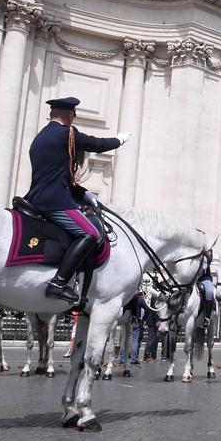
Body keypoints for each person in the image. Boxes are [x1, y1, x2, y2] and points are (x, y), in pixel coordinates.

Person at [24, 96, 131, 303]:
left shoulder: (39, 138)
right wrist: (119, 140)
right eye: (73, 115)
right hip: (54, 201)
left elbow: (55, 176)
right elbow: (96, 144)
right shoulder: (67, 133)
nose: (73, 119)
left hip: (37, 196)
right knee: (90, 233)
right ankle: (59, 282)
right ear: (69, 115)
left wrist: (84, 194)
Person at [198, 249, 216, 328]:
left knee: (209, 292)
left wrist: (204, 253)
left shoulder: (207, 245)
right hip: (190, 278)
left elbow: (209, 259)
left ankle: (207, 318)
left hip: (204, 278)